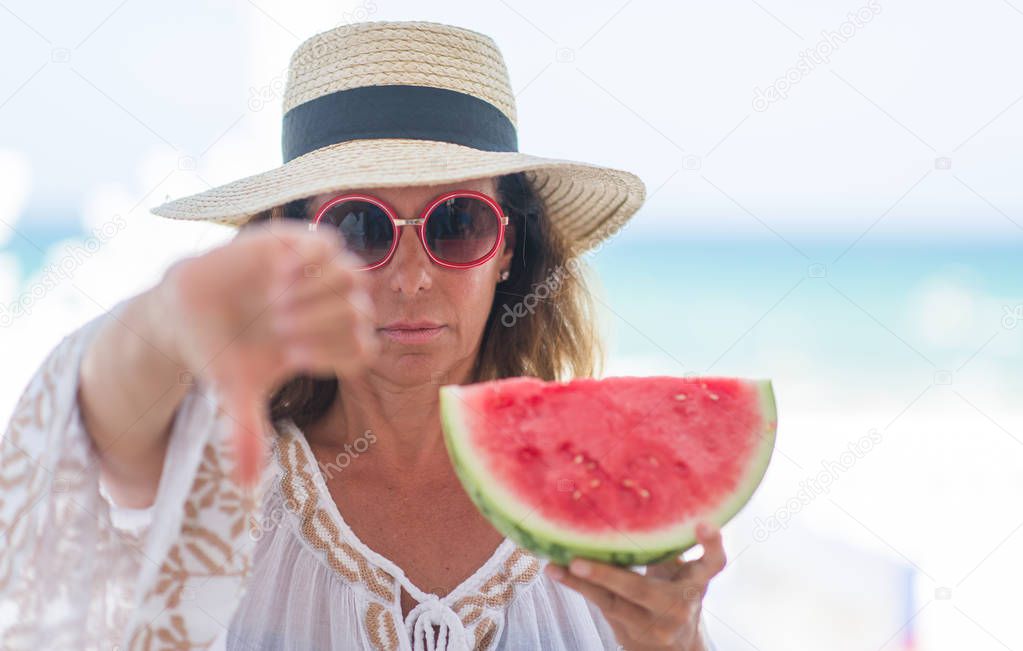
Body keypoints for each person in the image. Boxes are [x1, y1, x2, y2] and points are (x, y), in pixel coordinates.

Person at [0, 20, 725, 650]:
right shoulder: (221, 490)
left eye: (456, 223)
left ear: (508, 249)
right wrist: (165, 316)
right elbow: (83, 432)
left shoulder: (592, 504)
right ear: (296, 246)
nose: (409, 278)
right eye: (357, 226)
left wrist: (677, 642)